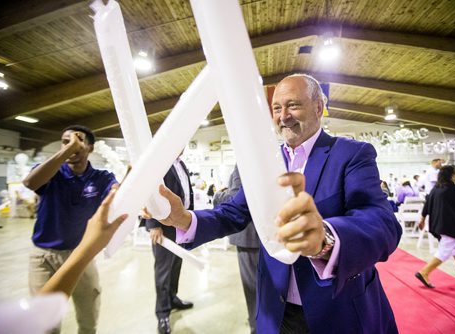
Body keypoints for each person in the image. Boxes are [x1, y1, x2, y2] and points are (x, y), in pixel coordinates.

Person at [156, 74, 402, 333]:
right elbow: (233, 212)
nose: (283, 116)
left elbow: (382, 222)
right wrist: (183, 218)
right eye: (276, 108)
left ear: (318, 107)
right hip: (277, 309)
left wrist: (326, 239)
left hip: (338, 308)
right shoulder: (264, 161)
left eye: (293, 105)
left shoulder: (352, 154)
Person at [23, 125, 117, 334]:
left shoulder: (101, 177)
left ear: (90, 148)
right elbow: (30, 182)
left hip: (80, 255)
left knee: (88, 315)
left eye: (77, 140)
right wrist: (70, 148)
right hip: (43, 258)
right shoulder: (51, 172)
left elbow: (117, 196)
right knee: (45, 322)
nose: (70, 145)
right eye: (65, 141)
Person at [140, 155, 194, 334]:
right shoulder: (159, 162)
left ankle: (172, 298)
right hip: (163, 226)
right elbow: (149, 191)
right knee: (163, 271)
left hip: (181, 225)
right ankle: (162, 313)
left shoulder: (181, 164)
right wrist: (153, 225)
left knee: (176, 265)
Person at [213, 165, 260, 334]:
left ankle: (256, 327)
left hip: (249, 236)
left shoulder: (244, 161)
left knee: (253, 289)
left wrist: (218, 194)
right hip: (264, 235)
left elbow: (234, 197)